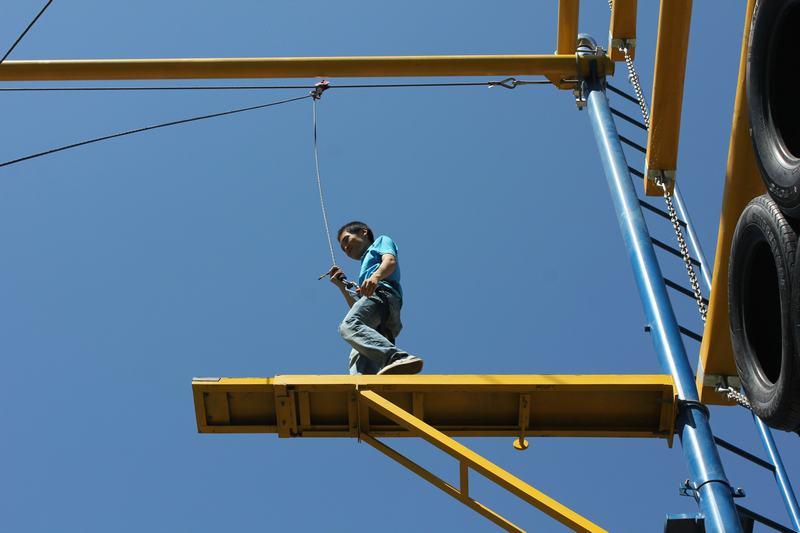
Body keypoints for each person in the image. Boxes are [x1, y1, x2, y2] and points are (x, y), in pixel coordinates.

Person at [327, 221, 423, 375]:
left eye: (346, 240)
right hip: (383, 316)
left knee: (349, 326)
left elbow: (390, 261)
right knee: (358, 350)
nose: (345, 248)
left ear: (363, 232)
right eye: (342, 248)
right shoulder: (365, 273)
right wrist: (341, 286)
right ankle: (364, 388)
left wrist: (376, 277)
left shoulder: (380, 242)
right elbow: (359, 309)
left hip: (384, 296)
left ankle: (395, 357)